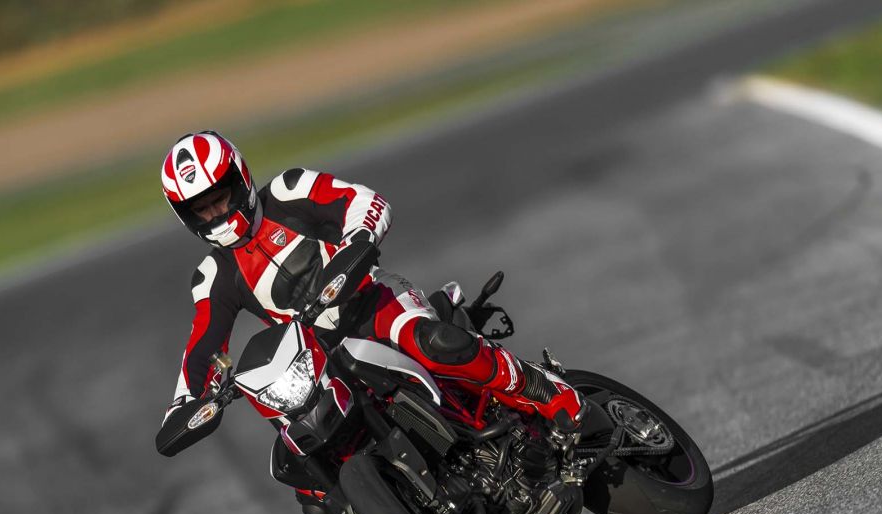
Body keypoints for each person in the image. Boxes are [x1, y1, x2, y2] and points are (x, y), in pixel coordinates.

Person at [155, 131, 583, 491]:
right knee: (302, 469)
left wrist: (358, 239)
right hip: (319, 359)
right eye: (202, 207)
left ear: (241, 178)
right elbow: (203, 344)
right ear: (186, 216)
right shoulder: (213, 274)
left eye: (221, 195)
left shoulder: (289, 190)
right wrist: (186, 402)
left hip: (372, 304)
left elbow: (364, 201)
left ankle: (545, 390)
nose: (216, 211)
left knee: (433, 343)